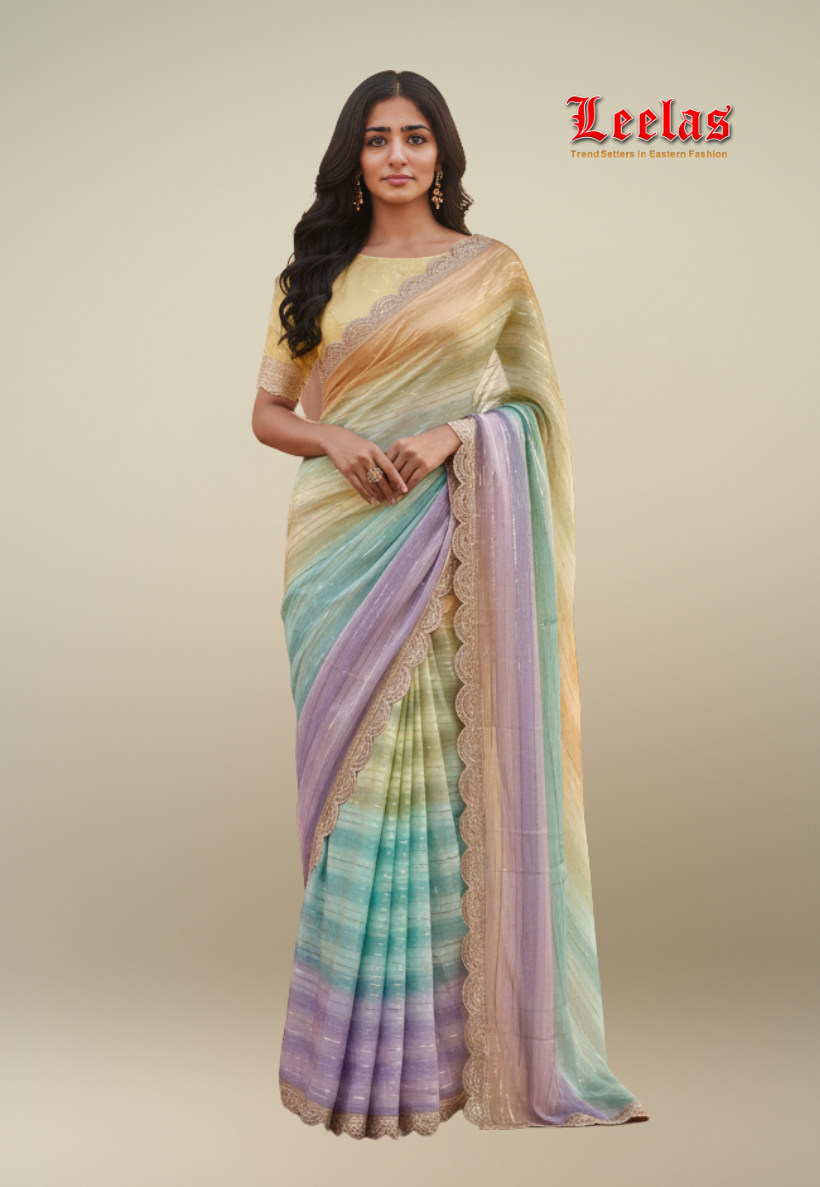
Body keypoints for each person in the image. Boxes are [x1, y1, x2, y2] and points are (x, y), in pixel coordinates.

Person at [251, 69, 649, 1140]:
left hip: (450, 538)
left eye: (415, 136)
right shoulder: (314, 272)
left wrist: (452, 436)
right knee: (355, 794)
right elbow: (268, 410)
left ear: (443, 153)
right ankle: (347, 1067)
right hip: (337, 554)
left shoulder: (491, 269)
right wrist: (336, 437)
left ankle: (435, 1064)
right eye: (378, 137)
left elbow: (535, 408)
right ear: (354, 155)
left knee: (441, 784)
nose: (397, 155)